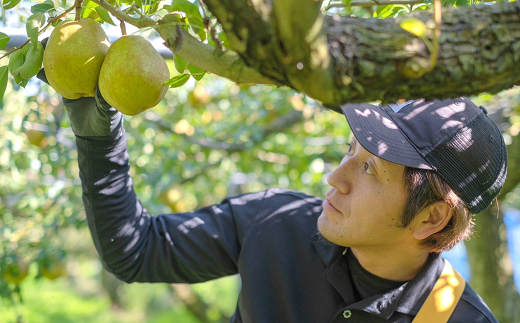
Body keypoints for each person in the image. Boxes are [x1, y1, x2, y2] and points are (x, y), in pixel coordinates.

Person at [37, 68, 505, 322]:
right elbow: (137, 252)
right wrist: (98, 134)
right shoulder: (276, 220)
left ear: (431, 219)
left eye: (369, 169)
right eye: (349, 150)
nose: (335, 178)